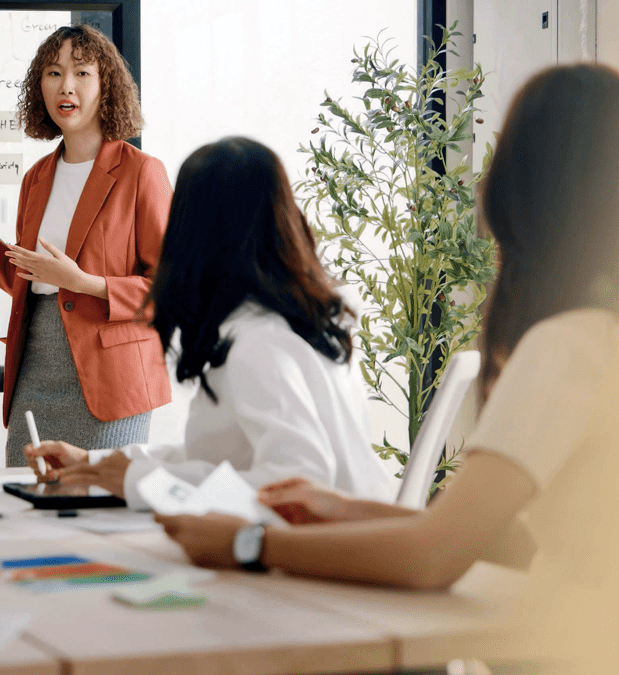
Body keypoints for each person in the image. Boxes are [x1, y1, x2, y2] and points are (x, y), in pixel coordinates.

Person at [153, 63, 619, 624]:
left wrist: (248, 544)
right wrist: (348, 510)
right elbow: (526, 545)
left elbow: (434, 556)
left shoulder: (568, 347)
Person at [25, 137, 397, 509]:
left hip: (326, 555)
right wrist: (96, 464)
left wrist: (140, 481)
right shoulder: (298, 322)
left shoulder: (258, 344)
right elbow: (225, 456)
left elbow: (297, 481)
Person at [0, 24, 172, 466]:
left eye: (82, 73)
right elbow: (28, 278)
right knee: (25, 497)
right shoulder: (36, 178)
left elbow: (173, 289)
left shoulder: (142, 173)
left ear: (106, 85)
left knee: (99, 512)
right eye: (53, 73)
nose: (66, 86)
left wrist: (86, 283)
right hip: (36, 367)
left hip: (111, 380)